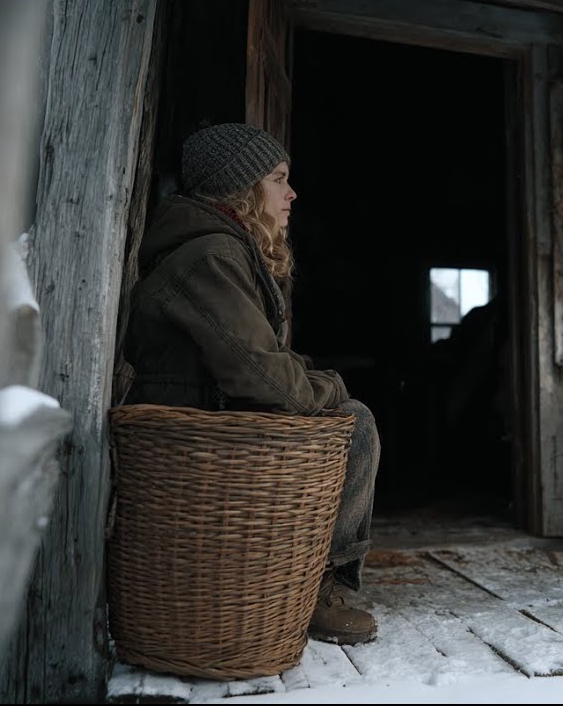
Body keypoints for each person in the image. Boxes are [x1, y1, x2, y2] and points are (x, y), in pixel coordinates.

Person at [123, 122, 380, 646]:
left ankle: (305, 581)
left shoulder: (223, 250)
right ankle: (317, 583)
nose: (291, 193)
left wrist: (313, 379)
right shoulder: (210, 257)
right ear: (240, 189)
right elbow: (267, 379)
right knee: (354, 422)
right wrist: (330, 388)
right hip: (200, 436)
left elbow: (267, 357)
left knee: (341, 413)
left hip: (213, 419)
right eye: (278, 179)